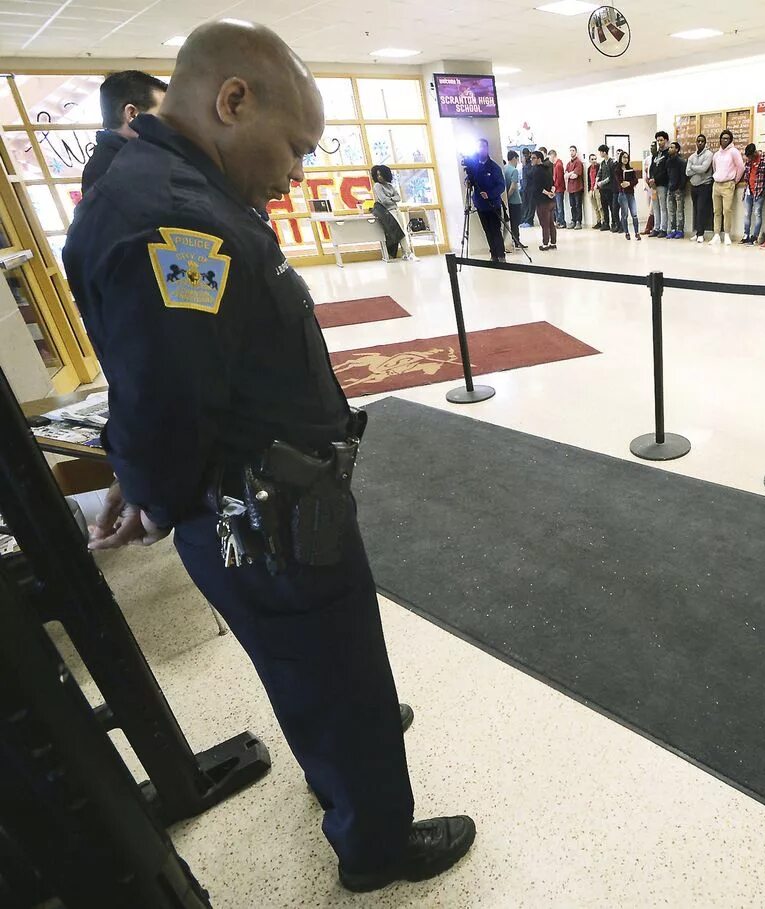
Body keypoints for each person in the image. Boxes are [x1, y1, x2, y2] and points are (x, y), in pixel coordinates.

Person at [62, 19, 475, 895]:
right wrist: (152, 488)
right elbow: (170, 397)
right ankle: (376, 844)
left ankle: (344, 745)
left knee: (308, 663)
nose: (296, 172)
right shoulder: (178, 218)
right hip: (271, 512)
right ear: (232, 99)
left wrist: (144, 480)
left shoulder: (148, 179)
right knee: (338, 661)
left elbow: (160, 370)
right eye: (294, 146)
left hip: (254, 505)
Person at [83, 70, 168, 192]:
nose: (168, 124)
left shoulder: (138, 155)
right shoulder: (110, 170)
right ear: (132, 113)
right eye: (162, 115)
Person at [463, 139, 508, 262]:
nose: (481, 149)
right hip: (480, 205)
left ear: (487, 148)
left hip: (493, 204)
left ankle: (501, 255)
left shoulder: (494, 167)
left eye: (483, 147)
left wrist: (489, 194)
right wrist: (467, 182)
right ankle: (493, 254)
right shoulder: (474, 166)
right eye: (478, 147)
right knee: (487, 231)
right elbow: (469, 179)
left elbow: (501, 186)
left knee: (495, 230)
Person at [711, 129, 745, 244]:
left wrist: (734, 181)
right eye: (722, 138)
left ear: (730, 140)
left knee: (727, 210)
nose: (724, 140)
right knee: (717, 211)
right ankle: (716, 234)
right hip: (716, 185)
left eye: (727, 139)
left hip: (728, 184)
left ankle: (726, 234)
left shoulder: (734, 152)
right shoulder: (716, 154)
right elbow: (715, 168)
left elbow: (740, 167)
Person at [370, 165, 407, 260]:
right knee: (400, 232)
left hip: (396, 210)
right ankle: (407, 252)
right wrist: (392, 198)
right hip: (388, 212)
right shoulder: (377, 186)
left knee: (402, 231)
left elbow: (399, 198)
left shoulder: (389, 186)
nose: (379, 177)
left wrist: (390, 198)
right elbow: (384, 200)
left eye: (381, 175)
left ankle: (406, 253)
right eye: (377, 175)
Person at [739, 143, 765, 245]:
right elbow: (747, 175)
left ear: (755, 152)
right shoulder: (749, 161)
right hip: (749, 190)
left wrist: (764, 189)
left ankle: (755, 237)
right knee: (747, 214)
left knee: (757, 213)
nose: (750, 159)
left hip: (759, 190)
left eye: (751, 156)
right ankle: (746, 235)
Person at [686, 134, 714, 242]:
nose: (700, 143)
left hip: (704, 186)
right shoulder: (691, 157)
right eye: (698, 141)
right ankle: (697, 233)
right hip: (694, 186)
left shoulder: (709, 154)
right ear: (696, 143)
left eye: (702, 141)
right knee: (696, 210)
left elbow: (704, 168)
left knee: (702, 210)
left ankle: (701, 234)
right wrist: (696, 169)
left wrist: (693, 167)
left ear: (705, 143)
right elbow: (687, 172)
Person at [528, 149, 557, 250]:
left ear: (539, 159)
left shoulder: (536, 170)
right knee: (551, 223)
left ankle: (545, 244)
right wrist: (552, 192)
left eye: (534, 158)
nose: (531, 160)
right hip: (551, 201)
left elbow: (537, 187)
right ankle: (553, 242)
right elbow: (553, 183)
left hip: (542, 202)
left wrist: (548, 193)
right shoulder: (547, 168)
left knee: (544, 223)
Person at [648, 131, 671, 238]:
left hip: (662, 184)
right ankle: (656, 228)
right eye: (658, 140)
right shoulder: (656, 154)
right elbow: (652, 168)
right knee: (655, 207)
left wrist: (656, 179)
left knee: (663, 207)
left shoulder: (668, 154)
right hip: (653, 186)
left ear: (666, 140)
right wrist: (651, 179)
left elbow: (666, 171)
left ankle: (663, 228)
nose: (659, 142)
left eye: (661, 140)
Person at [615, 149, 641, 240]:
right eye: (624, 157)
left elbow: (636, 180)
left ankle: (637, 233)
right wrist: (624, 184)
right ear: (620, 158)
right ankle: (626, 232)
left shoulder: (631, 169)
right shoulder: (617, 170)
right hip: (622, 194)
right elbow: (619, 182)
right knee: (625, 215)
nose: (625, 159)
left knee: (634, 214)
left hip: (630, 194)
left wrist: (629, 183)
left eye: (627, 157)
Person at [504, 150, 526, 250]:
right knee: (516, 223)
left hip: (509, 202)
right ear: (513, 159)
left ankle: (512, 241)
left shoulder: (504, 169)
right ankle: (517, 241)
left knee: (511, 222)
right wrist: (508, 198)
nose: (517, 162)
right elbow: (513, 187)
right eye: (517, 159)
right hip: (515, 201)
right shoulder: (514, 170)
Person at [666, 140, 687, 238]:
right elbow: (668, 175)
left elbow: (684, 176)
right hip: (670, 189)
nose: (670, 149)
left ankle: (680, 230)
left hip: (679, 190)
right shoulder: (668, 161)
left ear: (677, 149)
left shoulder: (681, 161)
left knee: (679, 211)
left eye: (672, 147)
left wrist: (680, 187)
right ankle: (673, 229)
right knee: (671, 211)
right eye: (669, 147)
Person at [595, 143, 615, 232]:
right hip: (602, 189)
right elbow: (599, 173)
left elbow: (611, 176)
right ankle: (606, 223)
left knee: (612, 207)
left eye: (600, 152)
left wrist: (602, 183)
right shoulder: (602, 163)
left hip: (609, 188)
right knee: (604, 206)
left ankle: (614, 223)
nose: (600, 154)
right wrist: (596, 183)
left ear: (604, 152)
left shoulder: (611, 162)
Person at [564, 145, 585, 229]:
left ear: (576, 151)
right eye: (570, 150)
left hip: (577, 187)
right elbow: (565, 175)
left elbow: (575, 176)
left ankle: (578, 222)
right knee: (572, 205)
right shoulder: (569, 163)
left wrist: (570, 174)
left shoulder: (578, 162)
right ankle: (573, 220)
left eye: (573, 150)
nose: (571, 152)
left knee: (578, 205)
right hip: (570, 188)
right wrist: (570, 173)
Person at [550, 149, 566, 228]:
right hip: (556, 189)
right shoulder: (555, 165)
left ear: (553, 155)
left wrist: (554, 187)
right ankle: (559, 221)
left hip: (559, 189)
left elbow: (559, 179)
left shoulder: (558, 165)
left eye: (551, 157)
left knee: (559, 207)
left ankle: (562, 222)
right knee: (556, 207)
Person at [520, 149, 536, 228]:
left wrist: (525, 165)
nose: (525, 156)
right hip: (525, 188)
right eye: (524, 154)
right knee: (525, 204)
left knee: (530, 205)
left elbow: (530, 174)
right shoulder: (524, 165)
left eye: (526, 154)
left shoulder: (531, 164)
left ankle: (529, 221)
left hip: (531, 188)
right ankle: (525, 219)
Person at [587, 152, 602, 227]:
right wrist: (589, 190)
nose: (594, 160)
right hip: (591, 189)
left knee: (600, 206)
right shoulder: (589, 168)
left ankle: (603, 221)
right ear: (589, 160)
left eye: (595, 159)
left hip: (598, 189)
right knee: (595, 207)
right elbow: (589, 180)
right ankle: (598, 221)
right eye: (592, 159)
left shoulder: (599, 167)